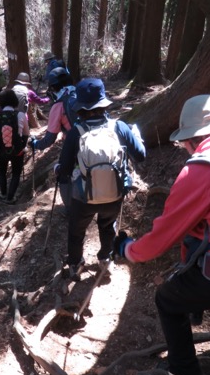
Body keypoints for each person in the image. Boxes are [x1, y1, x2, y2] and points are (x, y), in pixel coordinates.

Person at [112, 95, 210, 375]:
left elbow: (160, 239)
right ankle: (195, 314)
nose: (183, 148)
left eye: (183, 141)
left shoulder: (201, 171)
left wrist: (128, 250)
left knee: (167, 298)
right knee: (193, 263)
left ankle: (184, 372)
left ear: (194, 138)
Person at [56, 78, 146, 280]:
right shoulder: (119, 127)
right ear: (103, 102)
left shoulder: (75, 132)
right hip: (114, 193)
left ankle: (75, 265)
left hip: (83, 198)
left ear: (79, 107)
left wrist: (60, 171)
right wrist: (136, 135)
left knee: (76, 231)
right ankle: (105, 258)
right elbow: (140, 155)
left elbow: (65, 169)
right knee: (107, 226)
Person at [29, 67, 76, 207]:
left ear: (54, 87)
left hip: (75, 146)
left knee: (64, 174)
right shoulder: (83, 93)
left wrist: (35, 144)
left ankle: (70, 209)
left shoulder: (59, 105)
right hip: (98, 139)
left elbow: (50, 139)